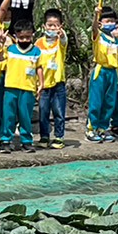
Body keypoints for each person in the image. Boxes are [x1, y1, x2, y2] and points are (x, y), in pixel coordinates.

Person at [0, 19, 43, 151]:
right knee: (8, 115)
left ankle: (26, 141)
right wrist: (0, 45)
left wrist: (41, 84)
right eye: (21, 37)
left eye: (27, 37)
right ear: (15, 36)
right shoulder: (10, 50)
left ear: (32, 35)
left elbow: (39, 68)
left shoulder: (36, 51)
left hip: (28, 88)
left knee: (25, 115)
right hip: (11, 87)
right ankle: (6, 140)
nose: (25, 40)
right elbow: (0, 63)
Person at [87, 5, 118, 142]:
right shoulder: (98, 36)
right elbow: (94, 28)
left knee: (109, 102)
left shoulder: (116, 39)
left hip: (112, 72)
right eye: (107, 21)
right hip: (100, 71)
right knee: (96, 101)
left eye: (113, 21)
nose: (111, 23)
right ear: (101, 23)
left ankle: (102, 128)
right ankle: (91, 129)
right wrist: (96, 15)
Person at [37, 8, 68, 148]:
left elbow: (64, 40)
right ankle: (44, 137)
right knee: (43, 112)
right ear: (44, 26)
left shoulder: (60, 42)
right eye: (49, 25)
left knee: (59, 111)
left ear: (60, 26)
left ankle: (59, 137)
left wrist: (61, 35)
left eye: (55, 25)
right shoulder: (38, 43)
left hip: (58, 83)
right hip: (43, 84)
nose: (52, 28)